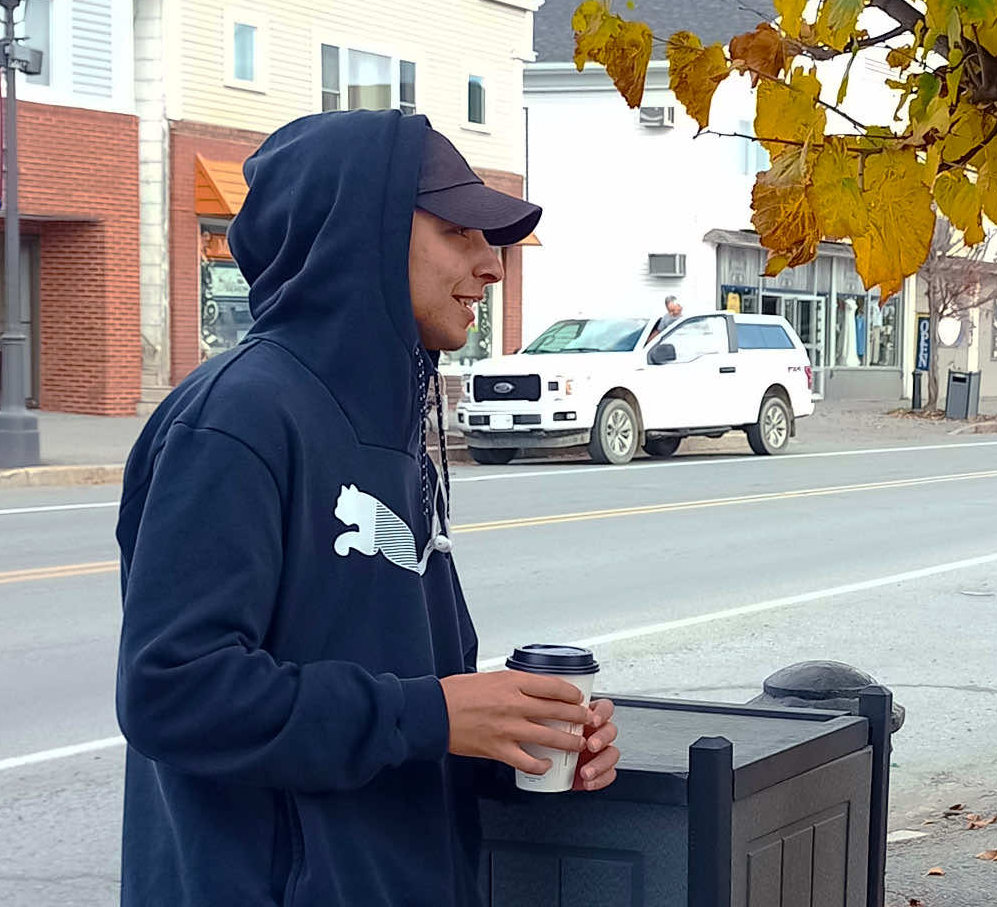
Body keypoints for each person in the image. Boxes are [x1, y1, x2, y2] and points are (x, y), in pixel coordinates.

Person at [116, 111, 621, 906]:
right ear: (358, 234)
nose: (491, 267)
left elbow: (399, 694)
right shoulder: (241, 417)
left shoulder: (390, 424)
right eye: (458, 231)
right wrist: (433, 715)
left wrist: (509, 734)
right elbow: (173, 693)